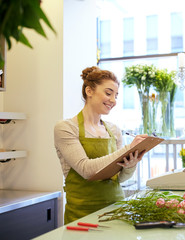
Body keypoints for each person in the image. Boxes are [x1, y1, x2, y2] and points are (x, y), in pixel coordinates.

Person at [54, 66, 148, 224]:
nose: (113, 100)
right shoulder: (66, 128)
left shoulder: (114, 130)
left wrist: (131, 164)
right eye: (108, 93)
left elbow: (120, 178)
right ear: (89, 91)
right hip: (81, 214)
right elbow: (86, 170)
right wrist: (128, 149)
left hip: (117, 210)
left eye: (116, 95)